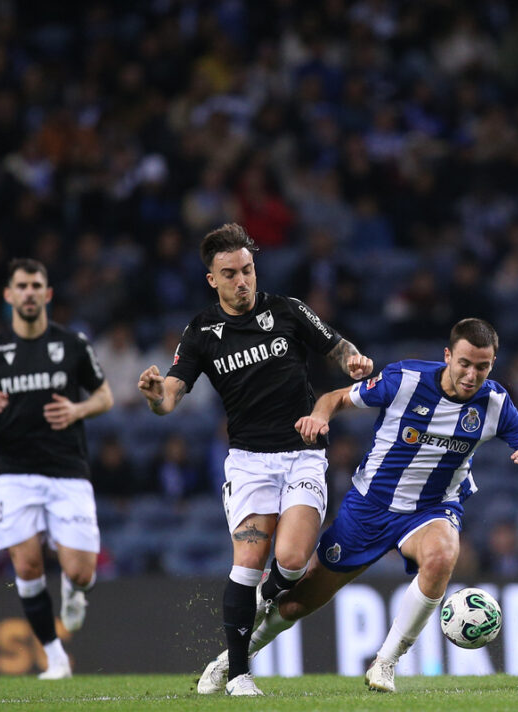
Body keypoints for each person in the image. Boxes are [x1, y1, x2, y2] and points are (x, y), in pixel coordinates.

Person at [198, 318, 518, 693]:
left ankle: (385, 663)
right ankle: (232, 661)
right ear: (448, 357)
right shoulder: (405, 379)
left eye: (482, 366)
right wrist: (319, 417)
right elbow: (334, 398)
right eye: (465, 364)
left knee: (442, 555)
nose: (472, 375)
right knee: (294, 605)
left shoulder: (495, 405)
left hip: (431, 510)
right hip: (369, 509)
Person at [137, 223, 372, 697]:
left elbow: (338, 345)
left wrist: (354, 361)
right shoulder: (202, 331)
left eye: (247, 270)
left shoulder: (286, 310)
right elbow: (170, 399)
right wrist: (153, 394)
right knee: (247, 561)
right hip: (248, 462)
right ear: (212, 280)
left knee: (290, 559)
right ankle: (239, 674)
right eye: (230, 273)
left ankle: (256, 608)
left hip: (302, 455)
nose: (242, 281)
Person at [0, 258, 115, 680]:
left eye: (35, 285)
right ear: (8, 295)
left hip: (67, 470)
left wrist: (78, 408)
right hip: (13, 472)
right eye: (21, 286)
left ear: (48, 294)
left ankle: (75, 592)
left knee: (81, 571)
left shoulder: (73, 345)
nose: (28, 292)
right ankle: (55, 657)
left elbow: (105, 397)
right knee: (26, 566)